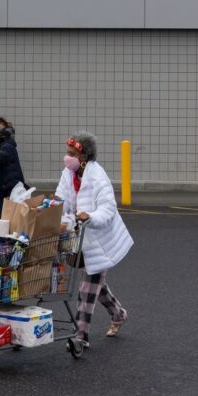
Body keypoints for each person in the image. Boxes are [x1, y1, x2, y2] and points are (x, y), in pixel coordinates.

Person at [55, 131, 133, 349]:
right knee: (98, 286)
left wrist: (90, 216)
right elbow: (61, 198)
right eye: (67, 152)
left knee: (87, 289)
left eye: (71, 153)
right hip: (80, 239)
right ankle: (119, 313)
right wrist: (54, 210)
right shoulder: (68, 173)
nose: (66, 157)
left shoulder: (98, 177)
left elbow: (108, 209)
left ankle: (80, 337)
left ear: (83, 157)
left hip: (100, 241)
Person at [0, 126, 25, 218]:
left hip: (9, 180)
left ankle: (1, 220)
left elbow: (1, 157)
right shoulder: (7, 145)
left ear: (4, 137)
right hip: (7, 179)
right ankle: (1, 220)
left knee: (3, 201)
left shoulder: (7, 146)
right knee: (3, 201)